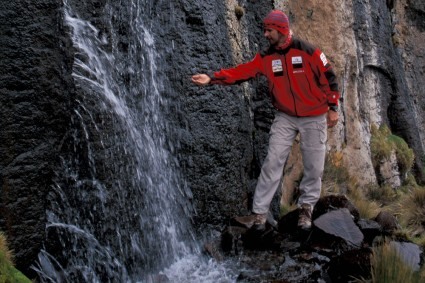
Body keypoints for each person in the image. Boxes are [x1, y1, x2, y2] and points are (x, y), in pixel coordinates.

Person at [191, 10, 340, 230]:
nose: (265, 34)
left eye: (269, 30)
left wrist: (333, 106)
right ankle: (259, 215)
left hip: (314, 116)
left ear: (280, 29)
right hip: (285, 116)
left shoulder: (309, 52)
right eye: (264, 30)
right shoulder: (266, 58)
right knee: (272, 162)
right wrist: (212, 78)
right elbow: (242, 72)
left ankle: (306, 210)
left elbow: (330, 77)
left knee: (314, 167)